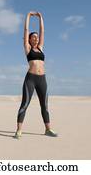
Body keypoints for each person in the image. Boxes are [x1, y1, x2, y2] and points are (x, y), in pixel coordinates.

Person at [14, 11, 58, 139]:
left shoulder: (40, 48)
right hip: (31, 79)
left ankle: (48, 129)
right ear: (29, 39)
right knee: (25, 104)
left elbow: (42, 31)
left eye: (37, 37)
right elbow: (26, 29)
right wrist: (28, 15)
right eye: (33, 37)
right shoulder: (27, 48)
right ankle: (18, 130)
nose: (36, 38)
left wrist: (40, 17)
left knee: (44, 105)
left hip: (42, 79)